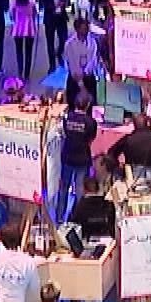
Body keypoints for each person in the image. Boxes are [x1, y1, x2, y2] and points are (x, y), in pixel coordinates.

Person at [56, 91, 99, 221]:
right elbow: (91, 139)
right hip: (82, 159)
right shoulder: (91, 122)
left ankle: (59, 218)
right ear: (88, 105)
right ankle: (77, 219)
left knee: (63, 189)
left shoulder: (66, 118)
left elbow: (63, 134)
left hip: (67, 157)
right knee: (80, 190)